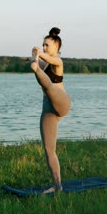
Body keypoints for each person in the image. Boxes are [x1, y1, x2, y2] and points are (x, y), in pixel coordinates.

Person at [30, 27, 71, 194]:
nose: (44, 47)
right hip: (49, 109)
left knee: (50, 87)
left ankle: (37, 71)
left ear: (56, 46)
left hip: (61, 101)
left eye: (47, 45)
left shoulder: (58, 62)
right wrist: (34, 56)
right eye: (43, 45)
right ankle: (57, 185)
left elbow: (46, 58)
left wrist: (37, 57)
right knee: (49, 149)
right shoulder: (43, 60)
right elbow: (37, 58)